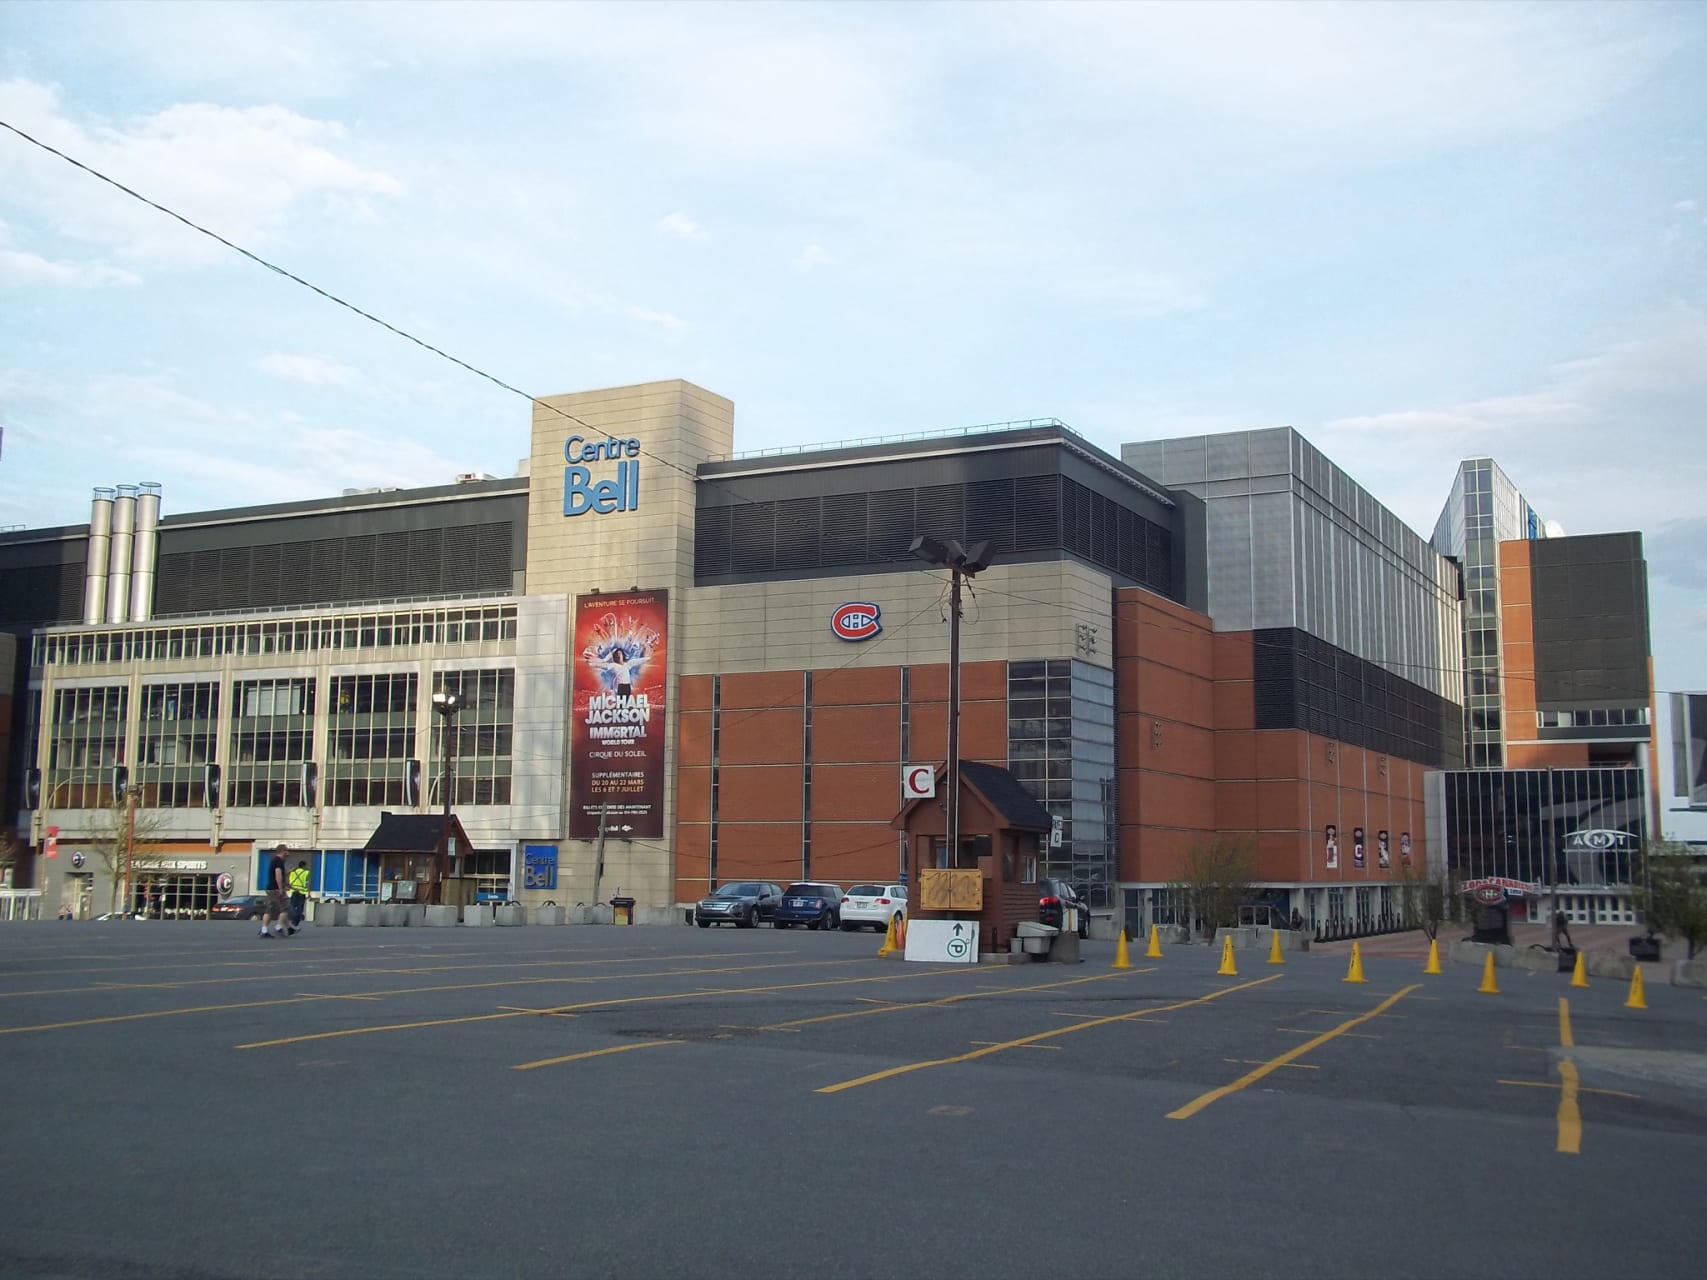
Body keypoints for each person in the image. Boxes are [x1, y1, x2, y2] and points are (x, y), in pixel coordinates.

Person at [260, 843, 293, 938]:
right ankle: (278, 927)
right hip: (276, 888)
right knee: (285, 907)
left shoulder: (274, 861)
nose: (288, 852)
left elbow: (280, 874)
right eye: (286, 850)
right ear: (282, 851)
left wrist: (287, 875)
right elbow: (278, 875)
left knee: (269, 910)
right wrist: (281, 889)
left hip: (270, 888)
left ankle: (264, 930)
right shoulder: (278, 861)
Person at [288, 859, 311, 930]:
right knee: (300, 908)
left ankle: (294, 917)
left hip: (293, 891)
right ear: (304, 866)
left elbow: (289, 881)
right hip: (302, 892)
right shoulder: (306, 873)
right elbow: (307, 883)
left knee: (293, 906)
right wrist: (309, 893)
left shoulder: (292, 872)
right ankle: (295, 920)